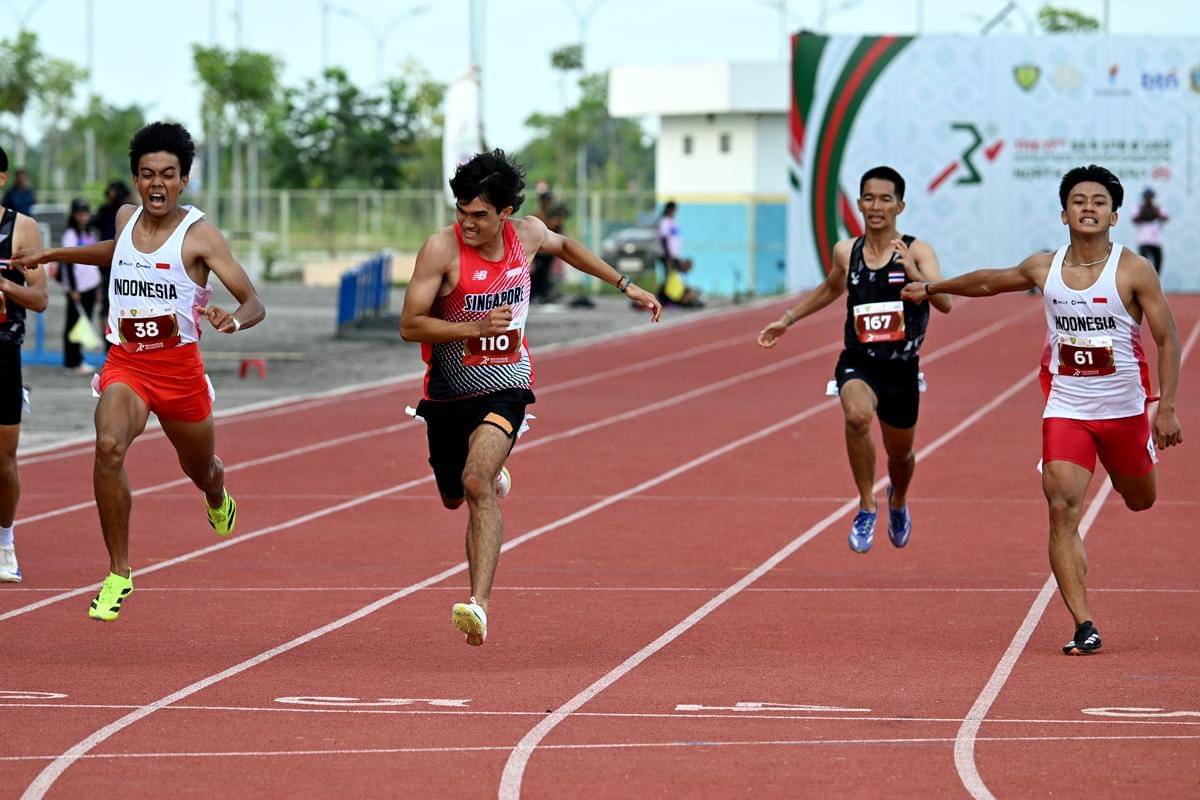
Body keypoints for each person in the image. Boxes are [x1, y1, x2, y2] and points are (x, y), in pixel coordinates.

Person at [901, 164, 1183, 655]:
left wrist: (1167, 409)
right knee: (1060, 507)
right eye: (1079, 201)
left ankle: (1129, 473)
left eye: (1099, 201)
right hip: (1067, 407)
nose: (1089, 208)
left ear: (1114, 216)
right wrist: (932, 288)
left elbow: (1168, 339)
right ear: (1063, 212)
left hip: (1124, 410)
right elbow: (990, 281)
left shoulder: (1133, 269)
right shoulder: (1044, 268)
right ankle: (1083, 623)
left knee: (1141, 499)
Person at [400, 149, 661, 646]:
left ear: (505, 213)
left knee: (475, 483)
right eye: (461, 212)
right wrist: (473, 325)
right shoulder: (440, 250)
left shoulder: (529, 235)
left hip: (508, 384)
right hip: (448, 393)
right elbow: (409, 325)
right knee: (454, 496)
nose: (467, 223)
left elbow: (566, 247)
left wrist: (625, 284)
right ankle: (491, 472)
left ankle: (477, 604)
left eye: (479, 215)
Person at [10, 122, 266, 620]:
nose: (157, 184)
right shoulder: (127, 218)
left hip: (179, 371)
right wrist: (52, 254)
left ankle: (216, 493)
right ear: (135, 179)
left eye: (168, 175)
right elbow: (118, 253)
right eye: (147, 174)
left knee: (201, 468)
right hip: (126, 362)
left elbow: (253, 299)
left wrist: (232, 320)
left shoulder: (200, 235)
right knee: (107, 446)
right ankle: (118, 572)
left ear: (183, 180)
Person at [758, 166, 952, 553]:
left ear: (900, 205)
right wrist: (787, 319)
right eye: (869, 198)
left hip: (902, 367)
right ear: (860, 203)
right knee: (857, 416)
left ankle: (897, 501)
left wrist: (915, 275)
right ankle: (867, 504)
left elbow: (945, 303)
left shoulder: (916, 250)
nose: (876, 206)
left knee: (901, 454)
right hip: (859, 360)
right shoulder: (847, 251)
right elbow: (831, 288)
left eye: (885, 199)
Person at [0, 146, 50, 583]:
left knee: (4, 461)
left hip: (3, 352)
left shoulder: (22, 229)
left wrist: (2, 283)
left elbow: (40, 299)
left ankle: (5, 544)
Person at [59, 198, 103, 374]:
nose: (83, 216)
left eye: (86, 212)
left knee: (84, 323)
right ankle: (72, 361)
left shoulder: (90, 234)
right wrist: (73, 288)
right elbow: (67, 263)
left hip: (91, 285)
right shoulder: (70, 235)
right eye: (79, 213)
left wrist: (98, 287)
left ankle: (79, 358)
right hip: (77, 288)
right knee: (73, 325)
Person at [1132, 187, 1168, 275]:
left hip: (1156, 240)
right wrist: (1144, 211)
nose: (1148, 198)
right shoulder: (1138, 208)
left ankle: (1155, 283)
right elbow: (1135, 220)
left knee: (1158, 263)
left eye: (1150, 197)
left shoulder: (1158, 208)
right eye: (1147, 197)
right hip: (1144, 240)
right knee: (1143, 264)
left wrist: (1155, 211)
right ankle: (1144, 283)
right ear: (1143, 197)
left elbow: (1165, 218)